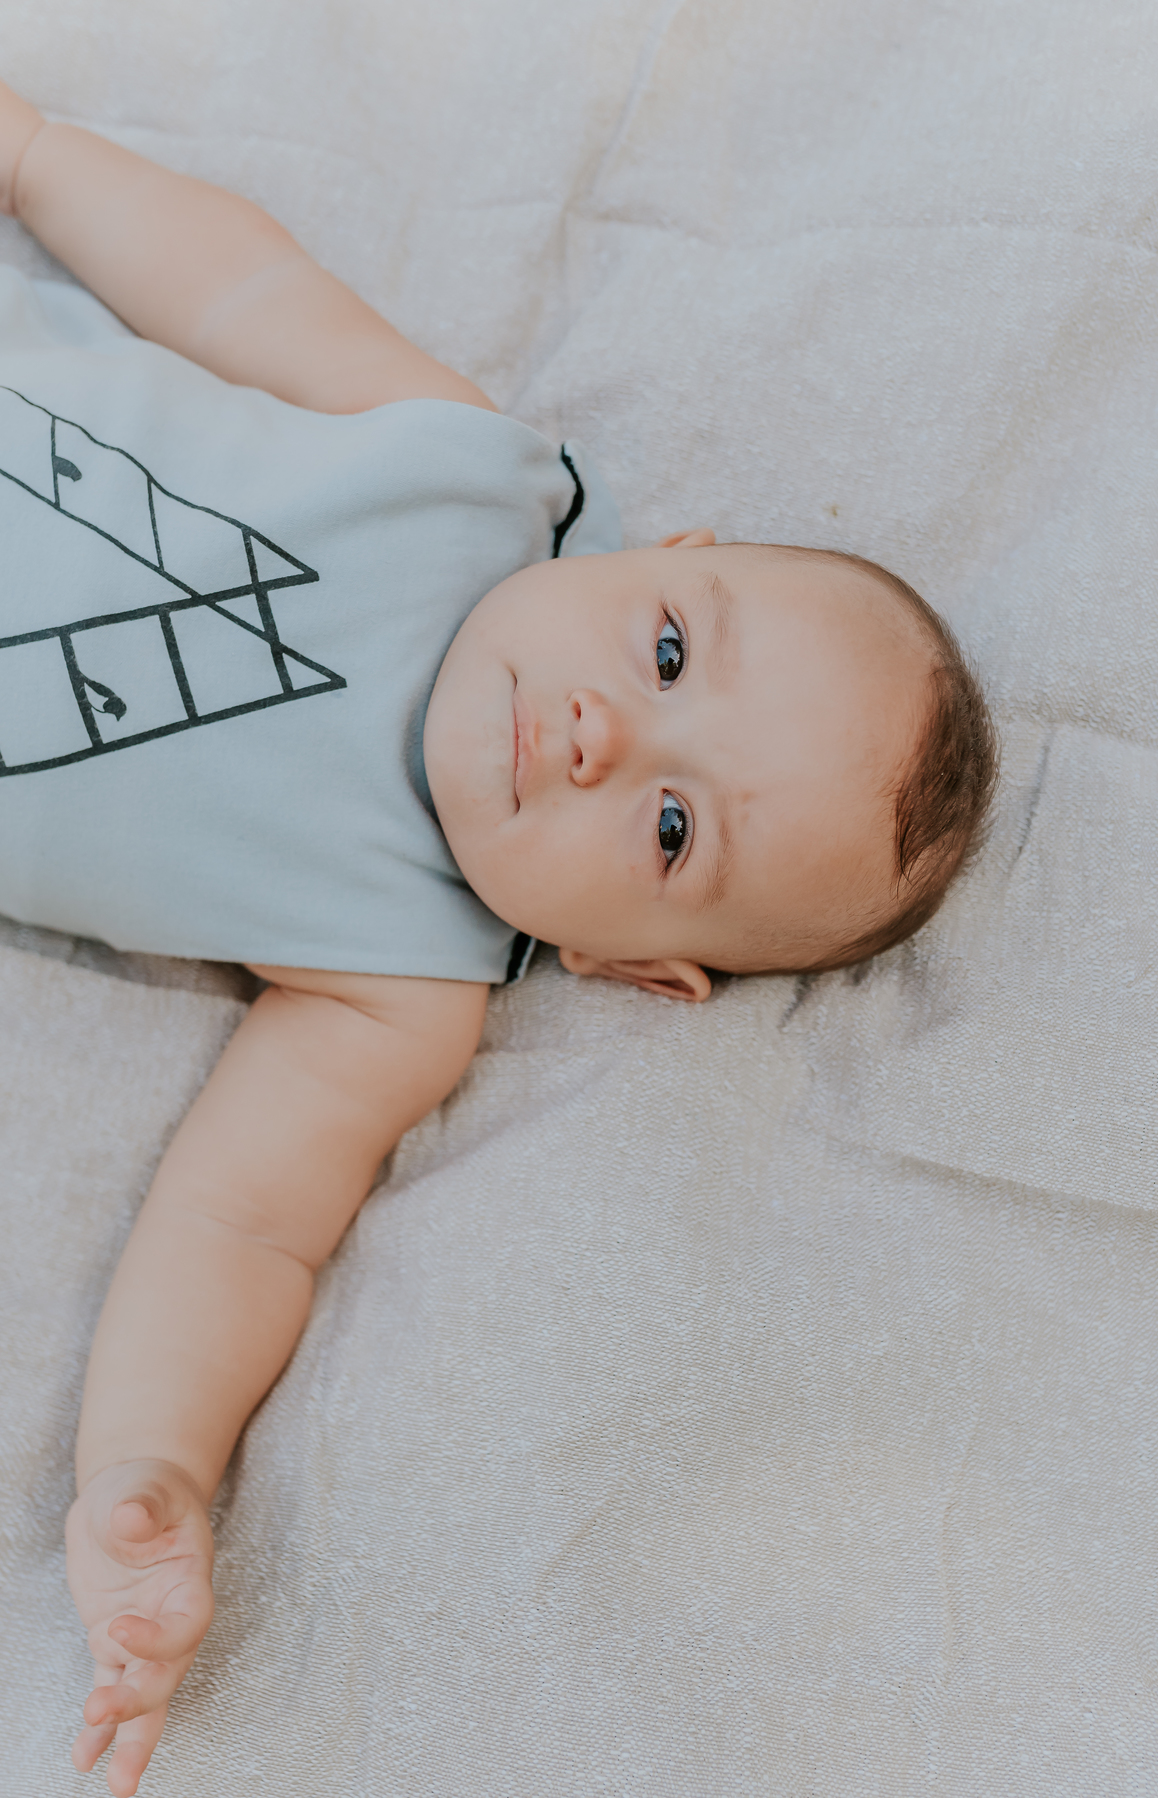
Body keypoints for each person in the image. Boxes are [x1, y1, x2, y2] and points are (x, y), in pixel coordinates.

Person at [0, 77, 998, 1798]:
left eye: (675, 832)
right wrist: (33, 157)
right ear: (666, 553)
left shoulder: (401, 982)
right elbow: (235, 289)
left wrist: (150, 1470)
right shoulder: (462, 464)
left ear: (632, 968)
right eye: (673, 650)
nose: (613, 732)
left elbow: (237, 1227)